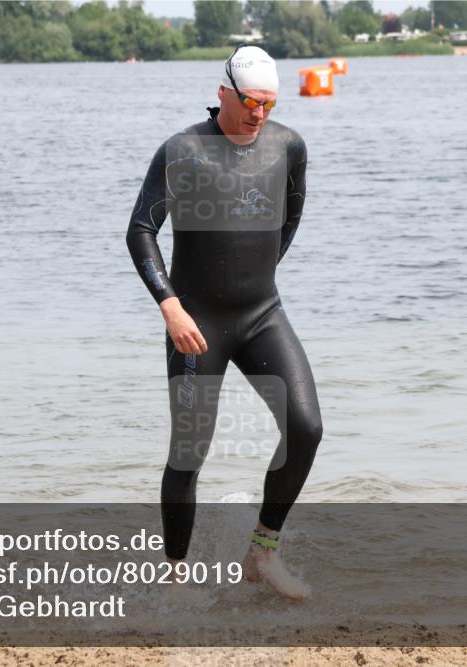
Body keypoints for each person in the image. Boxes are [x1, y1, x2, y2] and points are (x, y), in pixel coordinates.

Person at [126, 45, 322, 600]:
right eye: (250, 102)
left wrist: (254, 273)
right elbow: (141, 230)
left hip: (262, 313)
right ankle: (175, 578)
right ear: (223, 93)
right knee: (189, 450)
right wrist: (171, 306)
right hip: (196, 321)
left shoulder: (289, 146)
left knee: (306, 428)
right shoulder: (184, 150)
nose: (260, 113)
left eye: (269, 103)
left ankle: (262, 556)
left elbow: (290, 218)